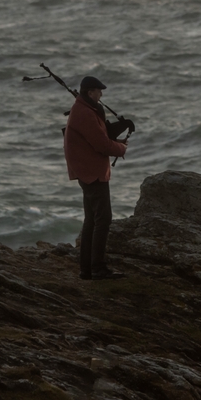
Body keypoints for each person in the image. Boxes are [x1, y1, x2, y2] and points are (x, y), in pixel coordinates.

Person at [63, 75, 128, 280]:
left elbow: (96, 139)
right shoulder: (85, 113)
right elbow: (101, 145)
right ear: (90, 92)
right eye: (99, 91)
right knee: (103, 219)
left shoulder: (83, 109)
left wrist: (116, 143)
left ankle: (87, 270)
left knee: (92, 220)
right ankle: (98, 268)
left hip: (87, 171)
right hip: (92, 173)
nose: (101, 95)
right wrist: (121, 148)